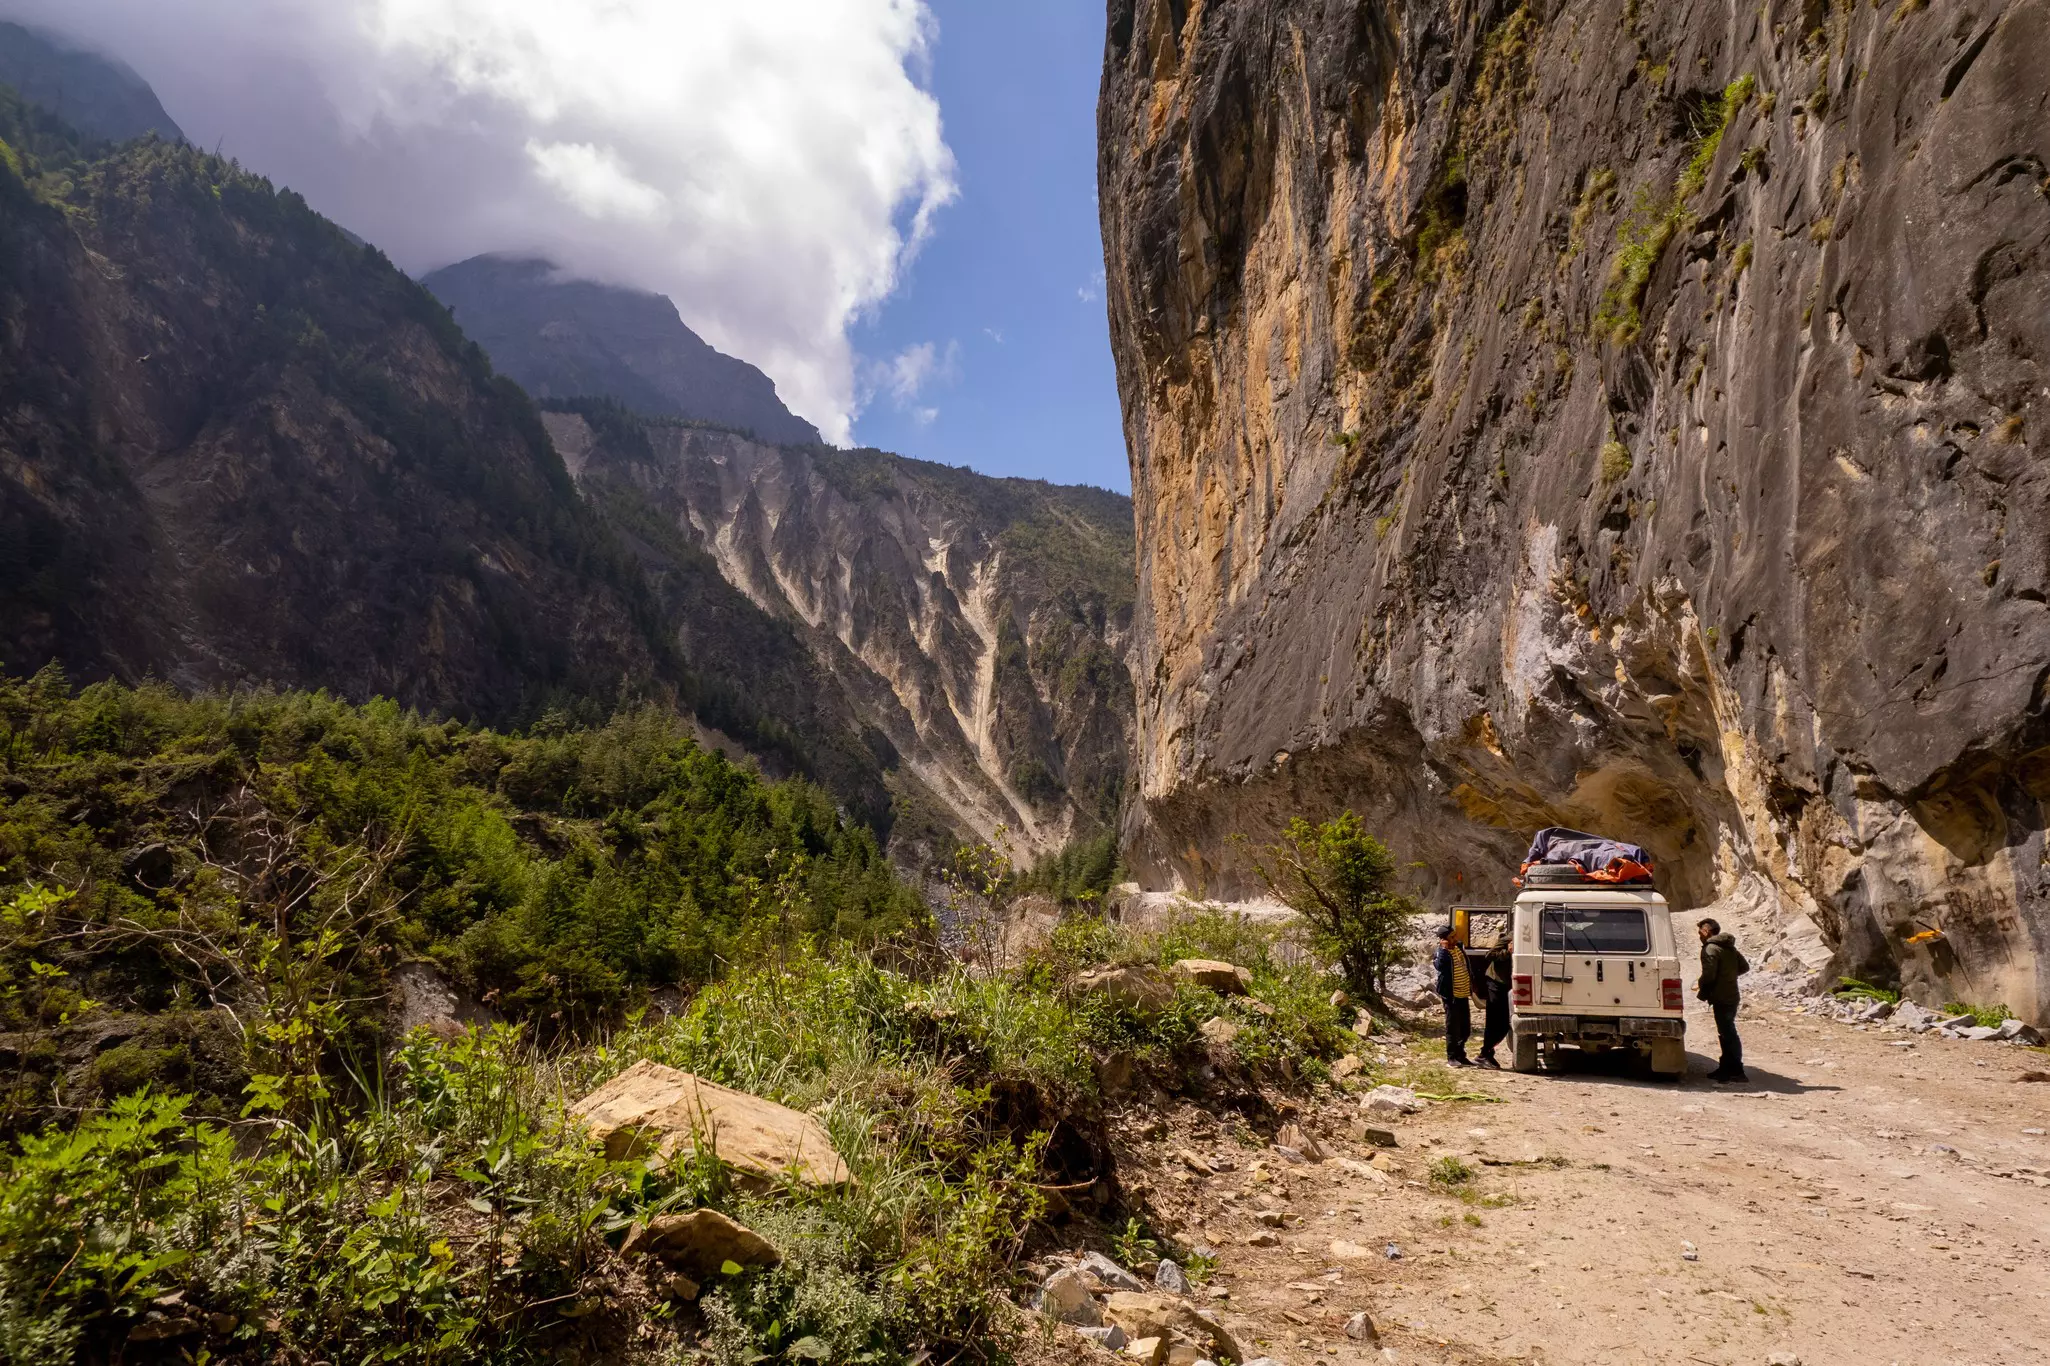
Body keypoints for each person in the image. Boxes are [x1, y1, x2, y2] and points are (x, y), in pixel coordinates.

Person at [1696, 917, 1749, 1082]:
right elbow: (1744, 967)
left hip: (1721, 996)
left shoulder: (1710, 948)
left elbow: (1709, 975)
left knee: (1727, 1033)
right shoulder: (1728, 947)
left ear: (1706, 931)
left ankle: (1735, 1070)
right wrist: (1729, 977)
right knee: (1727, 1031)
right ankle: (1728, 1068)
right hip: (1732, 994)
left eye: (1700, 932)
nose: (1699, 936)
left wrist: (1701, 986)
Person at [1433, 924, 1474, 1066]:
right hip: (1451, 996)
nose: (1455, 938)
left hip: (1463, 994)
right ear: (1444, 940)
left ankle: (1461, 1055)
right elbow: (1440, 966)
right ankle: (1451, 1058)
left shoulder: (1458, 948)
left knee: (1465, 1028)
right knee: (1452, 1027)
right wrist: (1444, 949)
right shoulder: (1441, 952)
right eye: (1452, 937)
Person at [1476, 937, 1512, 1069]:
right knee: (1495, 1021)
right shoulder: (1509, 938)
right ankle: (1484, 1054)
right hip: (1496, 983)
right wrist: (1507, 952)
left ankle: (1487, 1053)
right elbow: (1489, 955)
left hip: (1507, 984)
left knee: (1503, 1024)